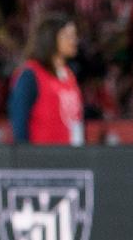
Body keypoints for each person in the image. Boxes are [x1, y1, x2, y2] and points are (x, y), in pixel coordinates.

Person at [9, 15, 84, 145]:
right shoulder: (30, 75)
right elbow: (19, 122)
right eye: (68, 35)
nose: (74, 40)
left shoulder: (69, 75)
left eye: (74, 35)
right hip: (42, 159)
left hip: (70, 158)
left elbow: (76, 119)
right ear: (51, 38)